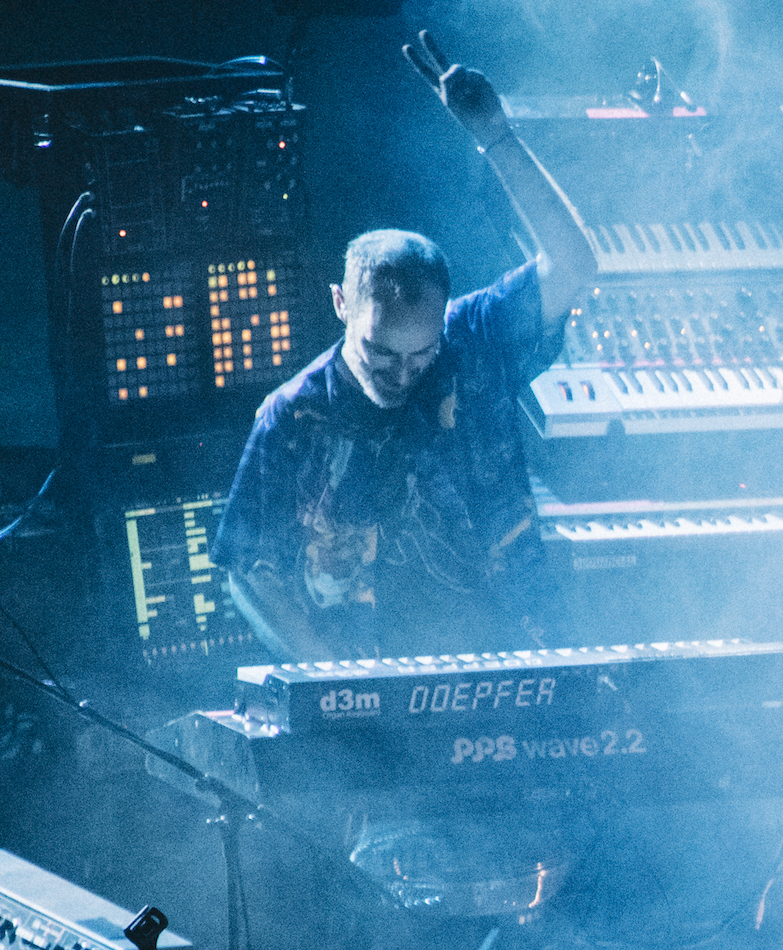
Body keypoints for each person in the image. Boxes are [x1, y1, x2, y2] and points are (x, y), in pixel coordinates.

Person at [214, 32, 598, 661]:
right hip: (375, 681)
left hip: (519, 651)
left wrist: (497, 137)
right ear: (340, 304)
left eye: (422, 355)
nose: (403, 374)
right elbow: (248, 569)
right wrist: (333, 678)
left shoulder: (474, 339)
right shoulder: (293, 416)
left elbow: (574, 264)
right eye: (381, 353)